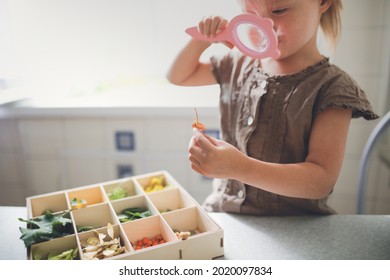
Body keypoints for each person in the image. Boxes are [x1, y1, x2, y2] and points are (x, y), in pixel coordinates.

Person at [166, 0, 379, 215]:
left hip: (293, 230)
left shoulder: (332, 88)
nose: (263, 27)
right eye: (250, 15)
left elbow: (321, 181)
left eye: (278, 11)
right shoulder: (238, 63)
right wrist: (201, 39)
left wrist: (241, 168)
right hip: (225, 215)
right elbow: (178, 76)